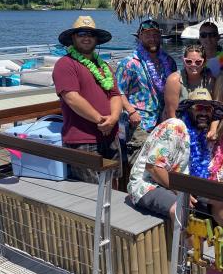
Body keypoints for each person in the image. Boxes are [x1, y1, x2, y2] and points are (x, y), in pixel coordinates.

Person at [128, 88, 223, 219]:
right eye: (199, 107)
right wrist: (181, 192)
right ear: (189, 110)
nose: (203, 112)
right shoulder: (175, 126)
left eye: (208, 109)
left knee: (222, 200)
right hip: (148, 185)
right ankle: (185, 240)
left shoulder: (200, 135)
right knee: (181, 211)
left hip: (178, 185)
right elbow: (153, 168)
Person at [52, 16, 122, 183]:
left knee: (113, 184)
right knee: (90, 190)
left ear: (96, 39)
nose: (86, 37)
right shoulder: (65, 64)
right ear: (73, 38)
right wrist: (100, 120)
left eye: (91, 34)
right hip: (83, 139)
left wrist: (113, 119)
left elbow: (115, 95)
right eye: (81, 33)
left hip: (111, 136)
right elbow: (71, 98)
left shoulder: (104, 66)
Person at [116, 19, 177, 165]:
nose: (152, 39)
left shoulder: (169, 61)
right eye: (147, 35)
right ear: (139, 37)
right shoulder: (129, 63)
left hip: (163, 121)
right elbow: (118, 91)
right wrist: (131, 112)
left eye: (155, 35)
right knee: (140, 163)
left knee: (162, 162)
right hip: (140, 123)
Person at [164, 44, 214, 119]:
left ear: (204, 62)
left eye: (198, 62)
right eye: (188, 61)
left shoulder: (210, 79)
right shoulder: (174, 80)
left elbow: (215, 107)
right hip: (177, 122)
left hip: (201, 121)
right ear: (183, 61)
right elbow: (172, 115)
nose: (193, 65)